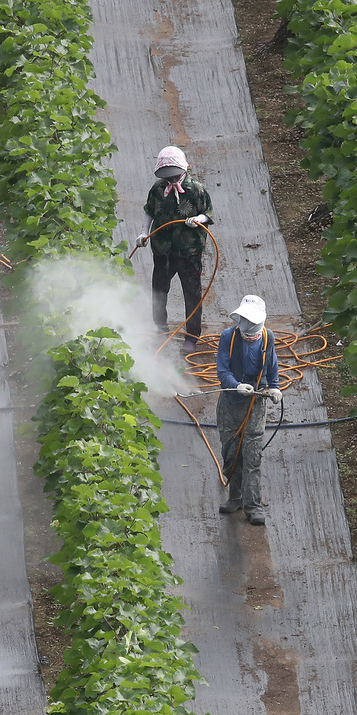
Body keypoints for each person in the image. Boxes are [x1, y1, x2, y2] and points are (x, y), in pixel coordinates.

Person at [137, 146, 214, 353]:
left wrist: (198, 219)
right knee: (159, 291)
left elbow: (208, 213)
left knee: (192, 294)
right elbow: (149, 211)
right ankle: (161, 330)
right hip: (163, 251)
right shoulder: (157, 188)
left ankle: (191, 337)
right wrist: (144, 233)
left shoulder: (196, 189)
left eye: (173, 175)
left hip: (189, 252)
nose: (170, 179)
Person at [215, 294, 281, 526]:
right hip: (231, 404)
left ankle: (254, 506)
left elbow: (272, 364)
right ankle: (236, 497)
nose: (249, 334)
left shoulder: (267, 337)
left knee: (252, 455)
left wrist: (274, 387)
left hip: (256, 404)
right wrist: (235, 385)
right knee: (231, 452)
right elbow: (222, 371)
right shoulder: (228, 337)